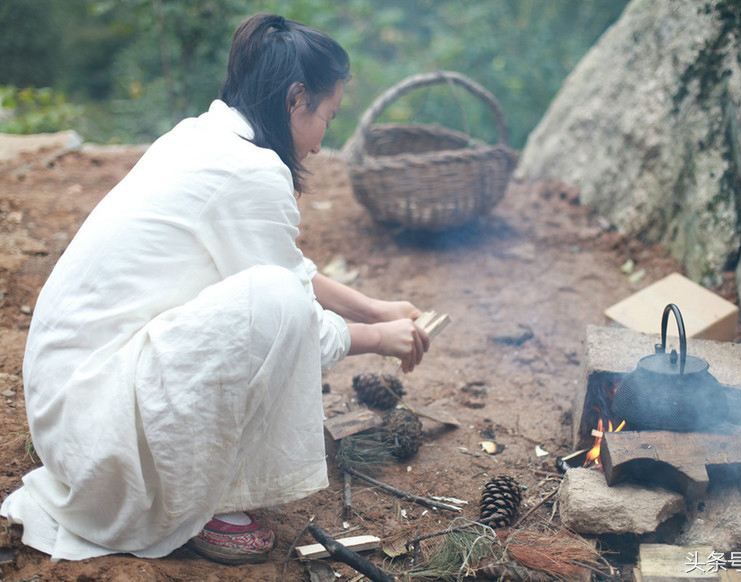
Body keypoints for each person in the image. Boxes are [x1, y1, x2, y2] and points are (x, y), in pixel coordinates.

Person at [0, 13, 429, 565]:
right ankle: (195, 499)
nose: (325, 141)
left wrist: (375, 308)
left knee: (272, 294)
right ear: (297, 100)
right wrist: (377, 338)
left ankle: (195, 474)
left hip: (70, 403)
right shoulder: (248, 173)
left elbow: (289, 267)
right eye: (328, 115)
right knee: (271, 304)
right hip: (96, 436)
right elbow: (289, 314)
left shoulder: (207, 136)